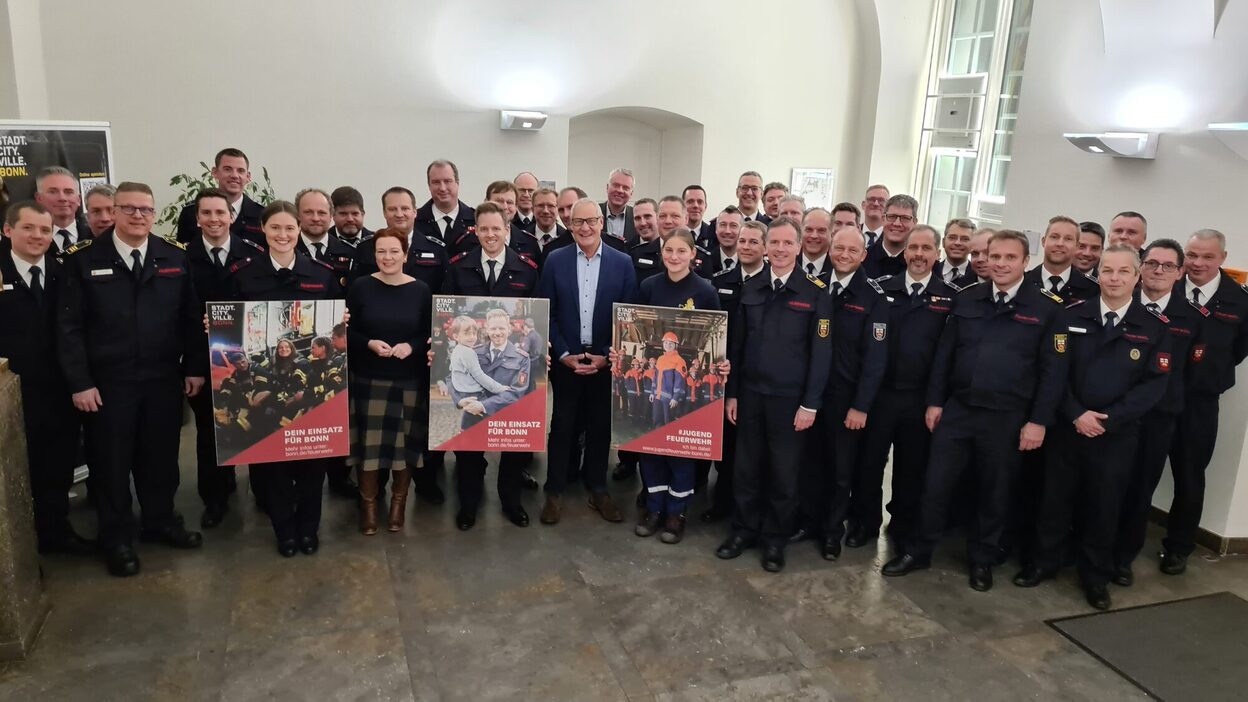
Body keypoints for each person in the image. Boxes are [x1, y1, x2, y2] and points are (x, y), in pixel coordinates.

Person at [882, 230, 1067, 592]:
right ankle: (918, 550)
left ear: (1025, 262)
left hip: (1008, 417)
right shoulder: (967, 299)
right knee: (934, 485)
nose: (999, 263)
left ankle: (981, 560)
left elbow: (1053, 373)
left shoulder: (1046, 308)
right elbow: (944, 356)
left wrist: (1038, 422)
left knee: (994, 492)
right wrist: (935, 401)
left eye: (1009, 258)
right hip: (959, 411)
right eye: (994, 256)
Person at [59, 181, 207, 577]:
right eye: (129, 209)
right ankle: (117, 538)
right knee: (110, 463)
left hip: (161, 377)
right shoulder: (83, 259)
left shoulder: (173, 255)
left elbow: (191, 318)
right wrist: (80, 382)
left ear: (154, 213)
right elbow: (68, 327)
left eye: (145, 209)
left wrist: (193, 367)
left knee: (160, 459)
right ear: (114, 212)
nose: (138, 216)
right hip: (108, 383)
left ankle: (159, 521)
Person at [1014, 245, 1172, 610]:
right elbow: (1055, 372)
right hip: (1069, 429)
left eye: (1123, 272)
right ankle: (1043, 563)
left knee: (1104, 507)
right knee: (1054, 500)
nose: (1114, 278)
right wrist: (1076, 414)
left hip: (1116, 435)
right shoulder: (1070, 315)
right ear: (1098, 275)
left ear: (1137, 277)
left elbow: (1153, 385)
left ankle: (1095, 577)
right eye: (1107, 271)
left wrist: (1108, 419)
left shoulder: (1154, 328)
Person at [716, 216, 833, 573]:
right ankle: (744, 530)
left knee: (784, 474)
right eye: (775, 243)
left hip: (790, 401)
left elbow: (821, 355)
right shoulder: (751, 288)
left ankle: (775, 539)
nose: (780, 249)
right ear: (766, 248)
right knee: (746, 469)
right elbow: (736, 346)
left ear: (799, 248)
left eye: (787, 243)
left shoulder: (815, 292)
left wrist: (810, 404)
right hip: (750, 395)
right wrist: (732, 394)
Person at [227, 200, 343, 557]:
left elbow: (338, 317)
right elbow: (227, 322)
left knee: (312, 467)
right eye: (275, 228)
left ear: (299, 230)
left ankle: (309, 529)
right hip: (270, 381)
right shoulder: (242, 275)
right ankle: (285, 532)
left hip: (305, 384)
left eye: (289, 228)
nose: (283, 235)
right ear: (263, 230)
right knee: (273, 468)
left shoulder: (321, 273)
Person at [851, 224, 959, 552]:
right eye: (914, 248)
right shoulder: (882, 289)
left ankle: (902, 523)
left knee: (912, 467)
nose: (919, 255)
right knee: (869, 464)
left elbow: (948, 355)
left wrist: (936, 400)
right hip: (882, 394)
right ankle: (864, 523)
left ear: (937, 254)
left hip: (920, 398)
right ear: (905, 251)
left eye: (927, 249)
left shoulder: (950, 297)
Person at [537, 198, 639, 525]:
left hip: (604, 361)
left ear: (602, 223)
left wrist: (607, 354)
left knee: (599, 427)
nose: (585, 228)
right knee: (562, 425)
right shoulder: (555, 260)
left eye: (591, 221)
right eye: (578, 222)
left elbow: (628, 317)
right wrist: (563, 354)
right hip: (567, 358)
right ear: (570, 225)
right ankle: (554, 490)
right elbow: (547, 311)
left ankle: (597, 486)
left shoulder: (623, 263)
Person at [441, 201, 542, 529]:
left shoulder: (527, 268)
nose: (489, 234)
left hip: (510, 374)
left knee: (514, 448)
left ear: (507, 230)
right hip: (474, 367)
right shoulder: (458, 267)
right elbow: (448, 316)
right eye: (482, 229)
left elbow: (540, 318)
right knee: (468, 449)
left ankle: (511, 502)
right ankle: (468, 504)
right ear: (475, 231)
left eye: (496, 228)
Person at [0, 202, 94, 554]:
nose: (38, 236)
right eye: (29, 228)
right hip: (8, 394)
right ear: (8, 230)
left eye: (44, 230)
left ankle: (55, 533)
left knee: (56, 466)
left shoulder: (62, 273)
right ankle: (17, 549)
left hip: (56, 390)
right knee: (11, 473)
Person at [623, 228, 727, 543]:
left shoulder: (706, 291)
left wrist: (721, 363)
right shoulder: (649, 286)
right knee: (652, 449)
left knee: (680, 453)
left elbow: (719, 335)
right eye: (669, 250)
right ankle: (653, 509)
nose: (674, 257)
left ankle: (675, 513)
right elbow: (631, 322)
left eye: (682, 251)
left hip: (675, 402)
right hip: (656, 400)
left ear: (693, 255)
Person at [1156, 229, 1248, 575]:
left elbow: (1238, 350)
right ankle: (1123, 539)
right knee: (1138, 472)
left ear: (1222, 258)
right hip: (1158, 396)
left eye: (1207, 257)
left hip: (1200, 403)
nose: (1197, 263)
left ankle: (1178, 548)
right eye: (1192, 255)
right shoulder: (1166, 288)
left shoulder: (1240, 301)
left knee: (1190, 476)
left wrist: (1209, 375)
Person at [796, 221, 889, 560]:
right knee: (810, 463)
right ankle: (808, 521)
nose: (844, 255)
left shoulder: (874, 298)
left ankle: (832, 531)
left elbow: (876, 361)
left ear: (863, 255)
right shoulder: (817, 286)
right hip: (810, 396)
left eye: (852, 250)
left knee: (840, 471)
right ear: (829, 250)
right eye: (839, 248)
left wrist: (861, 406)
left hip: (845, 400)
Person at [1113, 239, 1199, 584]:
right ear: (1140, 268)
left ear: (1180, 273)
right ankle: (1088, 547)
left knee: (1139, 490)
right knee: (1104, 485)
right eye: (1151, 263)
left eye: (1167, 265)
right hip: (1114, 413)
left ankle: (1122, 558)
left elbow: (1195, 372)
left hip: (1158, 418)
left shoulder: (1192, 318)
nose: (1158, 271)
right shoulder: (1118, 302)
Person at [185, 188, 264, 528]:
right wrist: (191, 367)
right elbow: (180, 318)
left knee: (258, 423)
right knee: (210, 431)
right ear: (197, 218)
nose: (214, 219)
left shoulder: (254, 254)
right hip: (204, 360)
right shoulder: (181, 257)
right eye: (207, 213)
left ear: (232, 217)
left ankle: (264, 492)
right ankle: (215, 498)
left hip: (248, 360)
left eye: (221, 213)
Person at [346, 228, 431, 535]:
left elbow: (429, 333)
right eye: (381, 251)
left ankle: (398, 503)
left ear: (405, 255)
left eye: (394, 251)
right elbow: (345, 331)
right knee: (369, 449)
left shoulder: (421, 289)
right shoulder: (360, 287)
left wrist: (413, 346)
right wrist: (368, 343)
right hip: (368, 379)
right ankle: (369, 505)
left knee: (403, 447)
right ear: (373, 254)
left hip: (408, 380)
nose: (387, 257)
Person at [701, 220, 768, 523]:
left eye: (754, 242)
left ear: (765, 248)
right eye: (743, 241)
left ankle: (748, 509)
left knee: (750, 449)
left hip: (755, 376)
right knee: (723, 445)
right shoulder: (720, 281)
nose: (746, 246)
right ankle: (720, 502)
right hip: (722, 376)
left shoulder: (771, 285)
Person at [175, 148, 264, 245]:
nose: (234, 175)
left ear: (248, 176)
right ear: (215, 172)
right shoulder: (190, 212)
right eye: (227, 169)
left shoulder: (263, 215)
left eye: (240, 171)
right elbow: (181, 254)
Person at [1024, 215, 1099, 302]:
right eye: (1054, 237)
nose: (1060, 244)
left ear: (1077, 246)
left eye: (1068, 239)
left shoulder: (1093, 290)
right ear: (1043, 241)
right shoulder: (1022, 282)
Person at [415, 159, 476, 246]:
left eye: (447, 181)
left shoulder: (476, 220)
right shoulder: (414, 222)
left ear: (457, 183)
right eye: (436, 182)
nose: (443, 188)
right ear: (429, 185)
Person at [33, 166, 89, 254]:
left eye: (68, 192)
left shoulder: (96, 237)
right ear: (39, 198)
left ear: (78, 199)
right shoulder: (28, 241)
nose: (62, 198)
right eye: (53, 192)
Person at [863, 194, 917, 280]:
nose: (897, 223)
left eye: (905, 218)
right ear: (883, 219)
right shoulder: (862, 259)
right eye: (892, 217)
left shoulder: (921, 264)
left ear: (914, 222)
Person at [932, 218, 976, 287]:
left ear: (973, 244)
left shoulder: (978, 277)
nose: (957, 243)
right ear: (943, 242)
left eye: (965, 239)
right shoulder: (930, 271)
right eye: (952, 238)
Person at [600, 168, 637, 244]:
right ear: (607, 187)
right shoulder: (593, 213)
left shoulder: (637, 217)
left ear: (631, 193)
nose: (620, 190)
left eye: (625, 188)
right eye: (616, 185)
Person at [798, 208, 834, 281]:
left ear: (832, 234)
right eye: (809, 229)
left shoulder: (837, 268)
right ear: (801, 231)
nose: (814, 236)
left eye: (821, 230)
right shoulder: (787, 262)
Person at [532, 187, 568, 256]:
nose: (546, 211)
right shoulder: (522, 238)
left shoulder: (568, 240)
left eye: (551, 206)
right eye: (540, 205)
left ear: (558, 209)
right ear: (532, 209)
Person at [708, 206, 744, 274]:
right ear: (716, 229)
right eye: (723, 225)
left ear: (742, 230)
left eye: (733, 225)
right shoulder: (706, 261)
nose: (727, 231)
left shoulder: (750, 262)